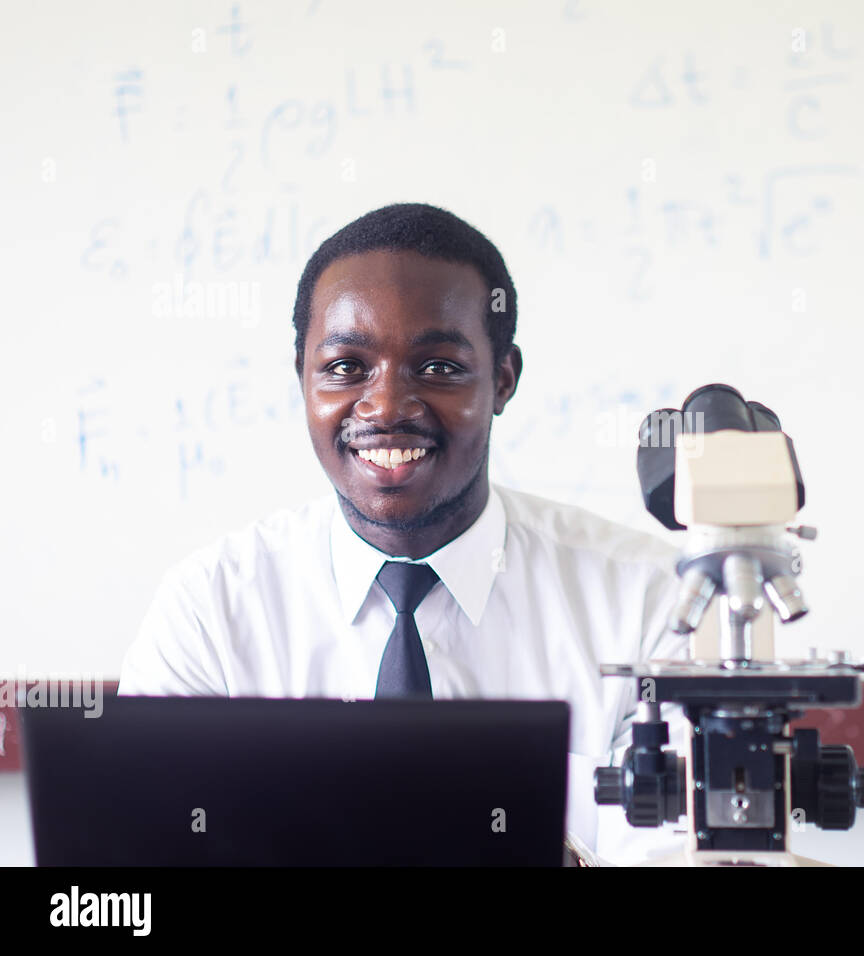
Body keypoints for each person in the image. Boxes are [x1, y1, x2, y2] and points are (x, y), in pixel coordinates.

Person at [119, 202, 689, 864]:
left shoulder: (653, 601)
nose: (387, 406)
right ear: (303, 378)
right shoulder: (210, 609)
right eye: (344, 367)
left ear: (502, 379)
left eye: (439, 367)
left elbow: (683, 854)